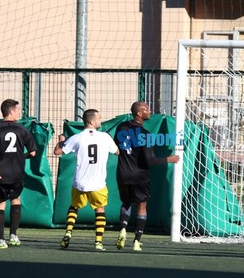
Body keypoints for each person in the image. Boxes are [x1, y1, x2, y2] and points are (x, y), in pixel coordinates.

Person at [114, 101, 179, 251]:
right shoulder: (145, 135)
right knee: (142, 205)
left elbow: (117, 147)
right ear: (139, 113)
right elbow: (149, 160)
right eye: (147, 109)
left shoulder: (121, 127)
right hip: (139, 175)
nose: (150, 111)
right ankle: (136, 241)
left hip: (123, 173)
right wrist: (168, 159)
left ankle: (123, 229)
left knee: (126, 202)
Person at [54, 109, 119, 251]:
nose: (100, 121)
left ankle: (68, 232)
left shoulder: (77, 137)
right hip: (98, 183)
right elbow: (117, 151)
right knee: (100, 209)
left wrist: (61, 141)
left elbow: (57, 152)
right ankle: (98, 242)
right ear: (91, 121)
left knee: (74, 207)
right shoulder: (105, 137)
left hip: (79, 182)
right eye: (99, 119)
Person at [0, 99, 37, 249]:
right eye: (18, 110)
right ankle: (13, 235)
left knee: (0, 204)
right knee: (16, 200)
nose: (20, 112)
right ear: (10, 112)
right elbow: (33, 153)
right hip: (17, 173)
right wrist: (23, 156)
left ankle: (0, 240)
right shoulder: (22, 130)